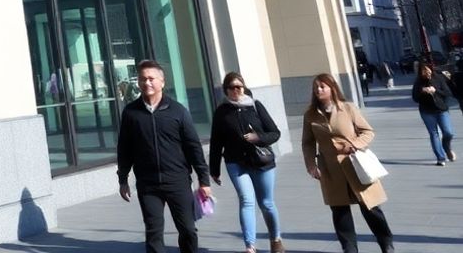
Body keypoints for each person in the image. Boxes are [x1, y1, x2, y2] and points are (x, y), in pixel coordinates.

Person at [117, 59, 212, 253]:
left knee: (188, 230)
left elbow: (193, 147)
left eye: (151, 78)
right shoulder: (131, 113)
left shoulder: (178, 111)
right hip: (148, 184)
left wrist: (204, 180)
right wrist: (123, 179)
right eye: (143, 79)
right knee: (153, 232)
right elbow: (124, 148)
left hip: (177, 181)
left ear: (162, 81)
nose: (147, 83)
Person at [302, 73, 394, 253]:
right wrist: (311, 165)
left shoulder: (347, 108)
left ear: (332, 88)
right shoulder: (310, 115)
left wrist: (354, 144)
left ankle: (386, 243)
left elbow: (367, 131)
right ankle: (349, 248)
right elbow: (308, 142)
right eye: (316, 87)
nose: (318, 90)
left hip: (355, 164)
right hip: (330, 168)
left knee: (370, 208)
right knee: (339, 211)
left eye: (322, 86)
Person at [209, 72, 284, 253]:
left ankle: (276, 239)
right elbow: (216, 142)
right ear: (226, 90)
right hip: (236, 162)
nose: (236, 90)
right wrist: (214, 169)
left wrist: (258, 138)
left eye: (239, 87)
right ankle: (250, 246)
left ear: (244, 87)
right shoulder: (222, 111)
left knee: (266, 203)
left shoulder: (255, 105)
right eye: (232, 87)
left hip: (262, 162)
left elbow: (275, 133)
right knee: (246, 200)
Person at [410, 63, 455, 165]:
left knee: (448, 132)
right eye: (423, 70)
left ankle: (446, 147)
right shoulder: (418, 82)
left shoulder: (438, 78)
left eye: (427, 69)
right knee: (434, 134)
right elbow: (415, 98)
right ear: (420, 72)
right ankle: (440, 158)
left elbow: (448, 93)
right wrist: (422, 91)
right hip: (427, 111)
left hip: (441, 110)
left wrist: (435, 91)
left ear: (431, 69)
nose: (426, 72)